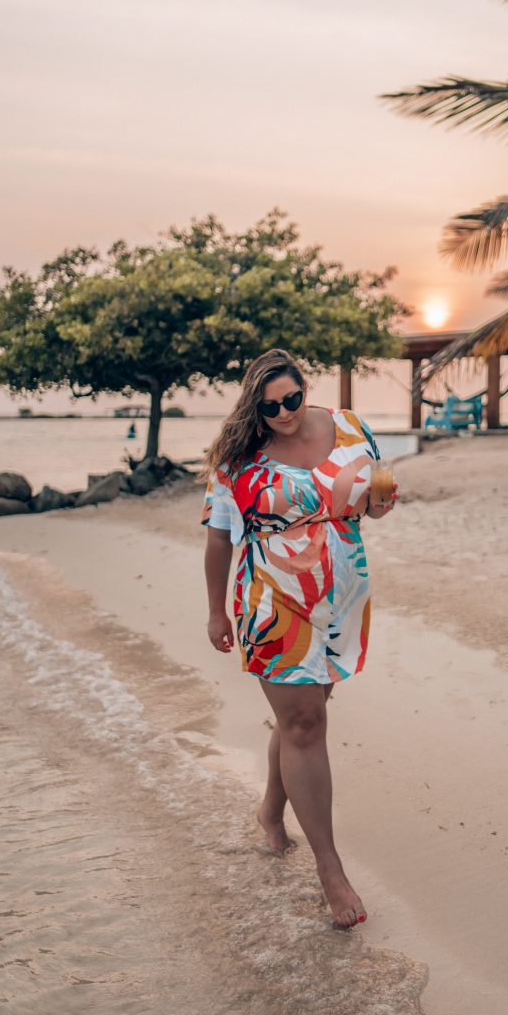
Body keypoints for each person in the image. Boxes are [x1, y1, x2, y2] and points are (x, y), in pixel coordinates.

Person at [201, 349, 396, 928]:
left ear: (303, 387)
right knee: (306, 725)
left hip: (340, 598)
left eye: (292, 399)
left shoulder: (352, 427)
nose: (285, 413)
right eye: (270, 407)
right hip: (271, 602)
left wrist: (381, 504)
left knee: (298, 721)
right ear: (253, 405)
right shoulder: (238, 459)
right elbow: (218, 540)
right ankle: (330, 870)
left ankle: (270, 811)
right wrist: (217, 612)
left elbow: (372, 502)